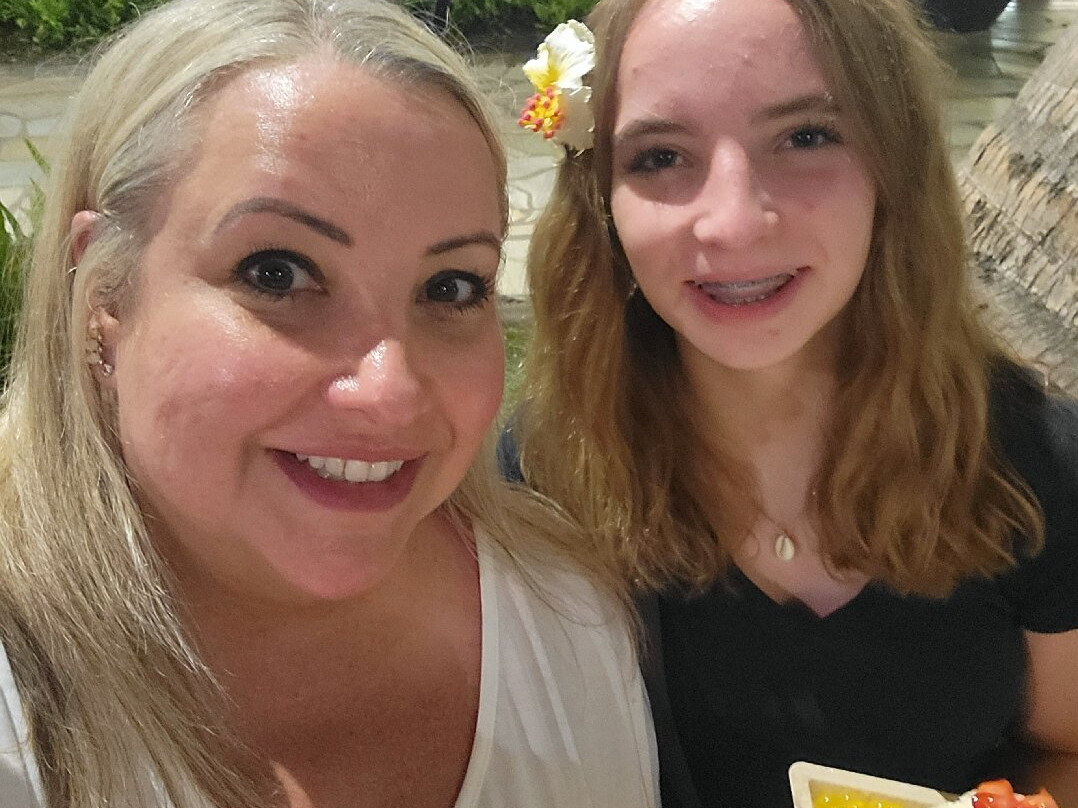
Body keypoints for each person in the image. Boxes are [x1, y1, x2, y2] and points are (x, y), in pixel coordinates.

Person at [0, 1, 660, 806]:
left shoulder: (569, 617)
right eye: (276, 273)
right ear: (103, 294)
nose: (390, 390)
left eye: (450, 288)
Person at [507, 0, 1078, 806]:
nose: (735, 223)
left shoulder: (1033, 463)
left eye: (806, 137)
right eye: (661, 156)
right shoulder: (543, 475)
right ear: (602, 201)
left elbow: (1065, 747)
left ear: (894, 167)